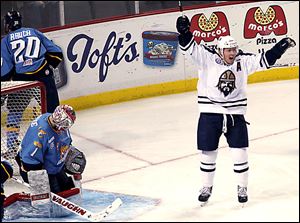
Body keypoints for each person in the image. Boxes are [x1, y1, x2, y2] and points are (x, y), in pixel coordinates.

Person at [176, 15, 296, 204]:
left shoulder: (243, 60)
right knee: (208, 153)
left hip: (235, 114)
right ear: (221, 50)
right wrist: (184, 32)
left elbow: (264, 60)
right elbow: (188, 47)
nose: (232, 53)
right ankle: (206, 187)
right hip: (210, 112)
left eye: (234, 49)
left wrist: (279, 48)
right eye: (229, 50)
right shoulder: (207, 57)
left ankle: (242, 187)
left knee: (240, 152)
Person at [1, 10, 63, 153]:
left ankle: (11, 147)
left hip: (22, 81)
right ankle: (58, 145)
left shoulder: (6, 40)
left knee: (14, 112)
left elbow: (5, 69)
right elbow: (56, 53)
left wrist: (5, 83)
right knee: (53, 113)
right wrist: (46, 67)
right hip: (44, 76)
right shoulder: (34, 32)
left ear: (8, 24)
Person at [15, 104, 86, 193]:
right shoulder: (41, 133)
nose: (66, 127)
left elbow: (65, 143)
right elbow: (29, 162)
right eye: (65, 123)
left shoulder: (58, 124)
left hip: (53, 167)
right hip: (36, 170)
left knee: (68, 188)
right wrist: (42, 181)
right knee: (55, 195)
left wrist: (66, 156)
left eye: (68, 124)